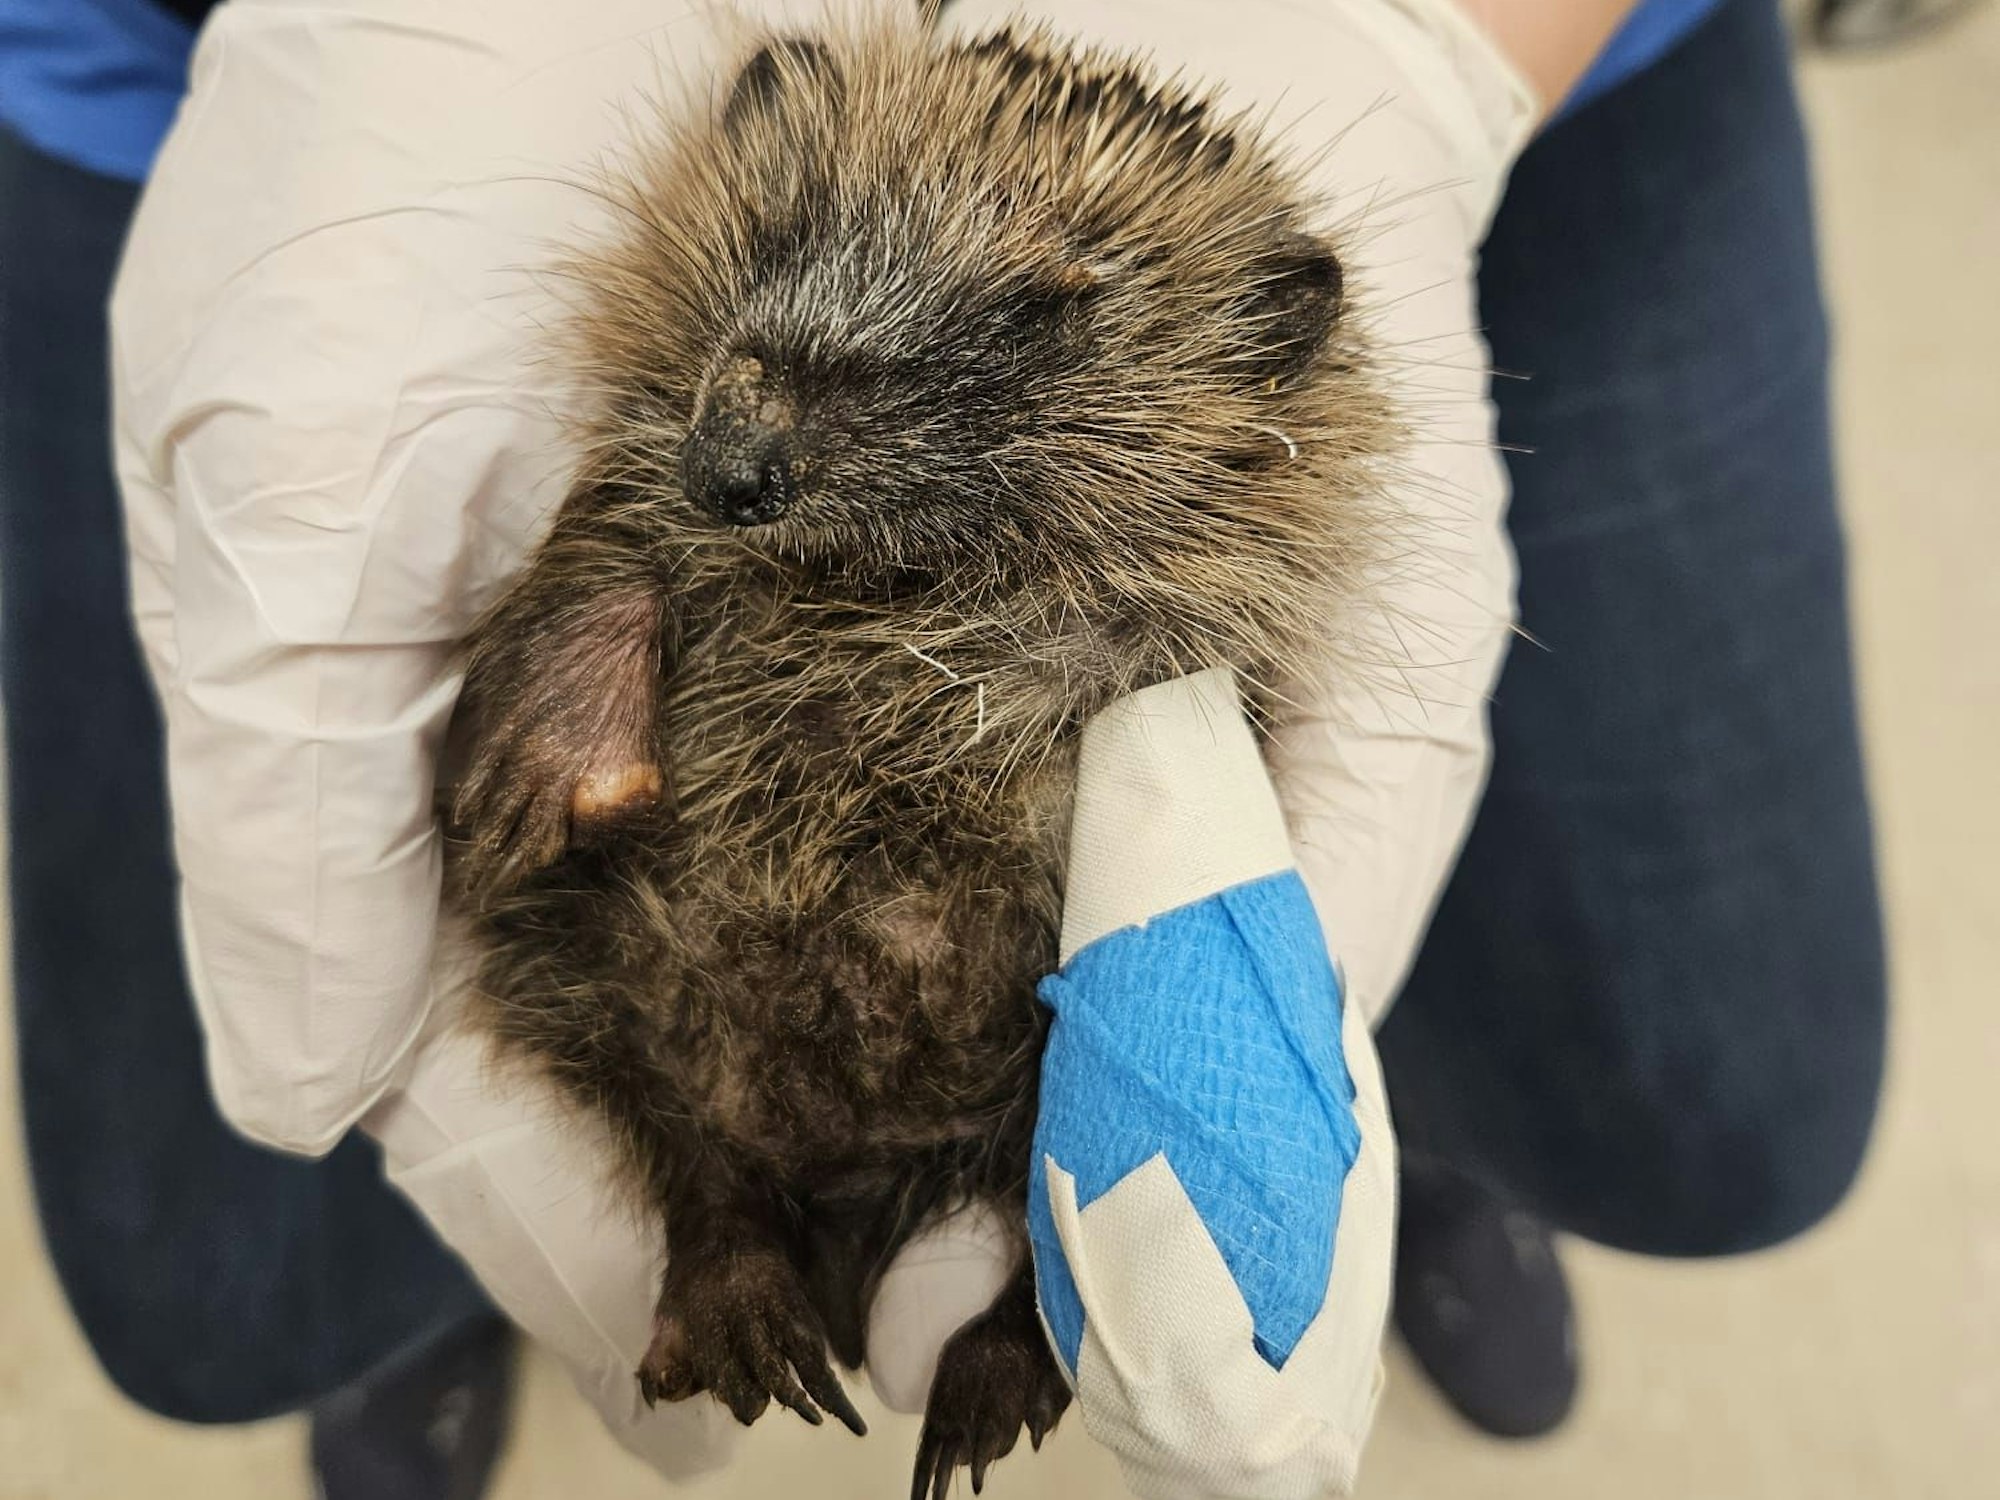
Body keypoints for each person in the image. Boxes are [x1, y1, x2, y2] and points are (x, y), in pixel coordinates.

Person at [0, 0, 1884, 1496]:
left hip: (1551, 44)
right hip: (282, 62)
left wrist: (1440, 34)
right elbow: (658, 510)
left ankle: (1387, 1134)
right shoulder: (721, 338)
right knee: (219, 1299)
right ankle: (627, 1248)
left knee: (1717, 1114)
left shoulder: (1182, 474)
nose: (763, 414)